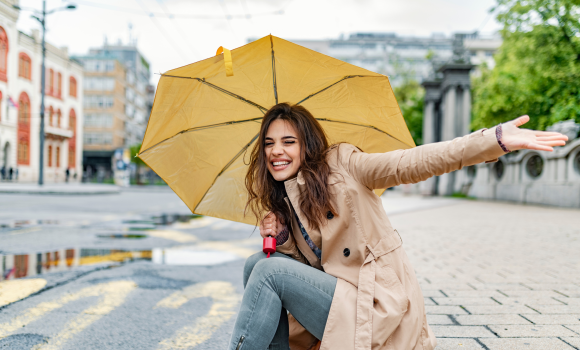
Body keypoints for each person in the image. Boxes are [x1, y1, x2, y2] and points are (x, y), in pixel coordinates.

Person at [229, 103, 567, 350]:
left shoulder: (344, 164)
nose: (276, 151)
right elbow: (313, 274)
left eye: (288, 141)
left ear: (307, 145)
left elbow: (411, 163)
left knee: (269, 271)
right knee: (259, 263)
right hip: (342, 302)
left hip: (376, 306)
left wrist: (492, 140)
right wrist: (285, 239)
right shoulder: (286, 200)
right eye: (269, 143)